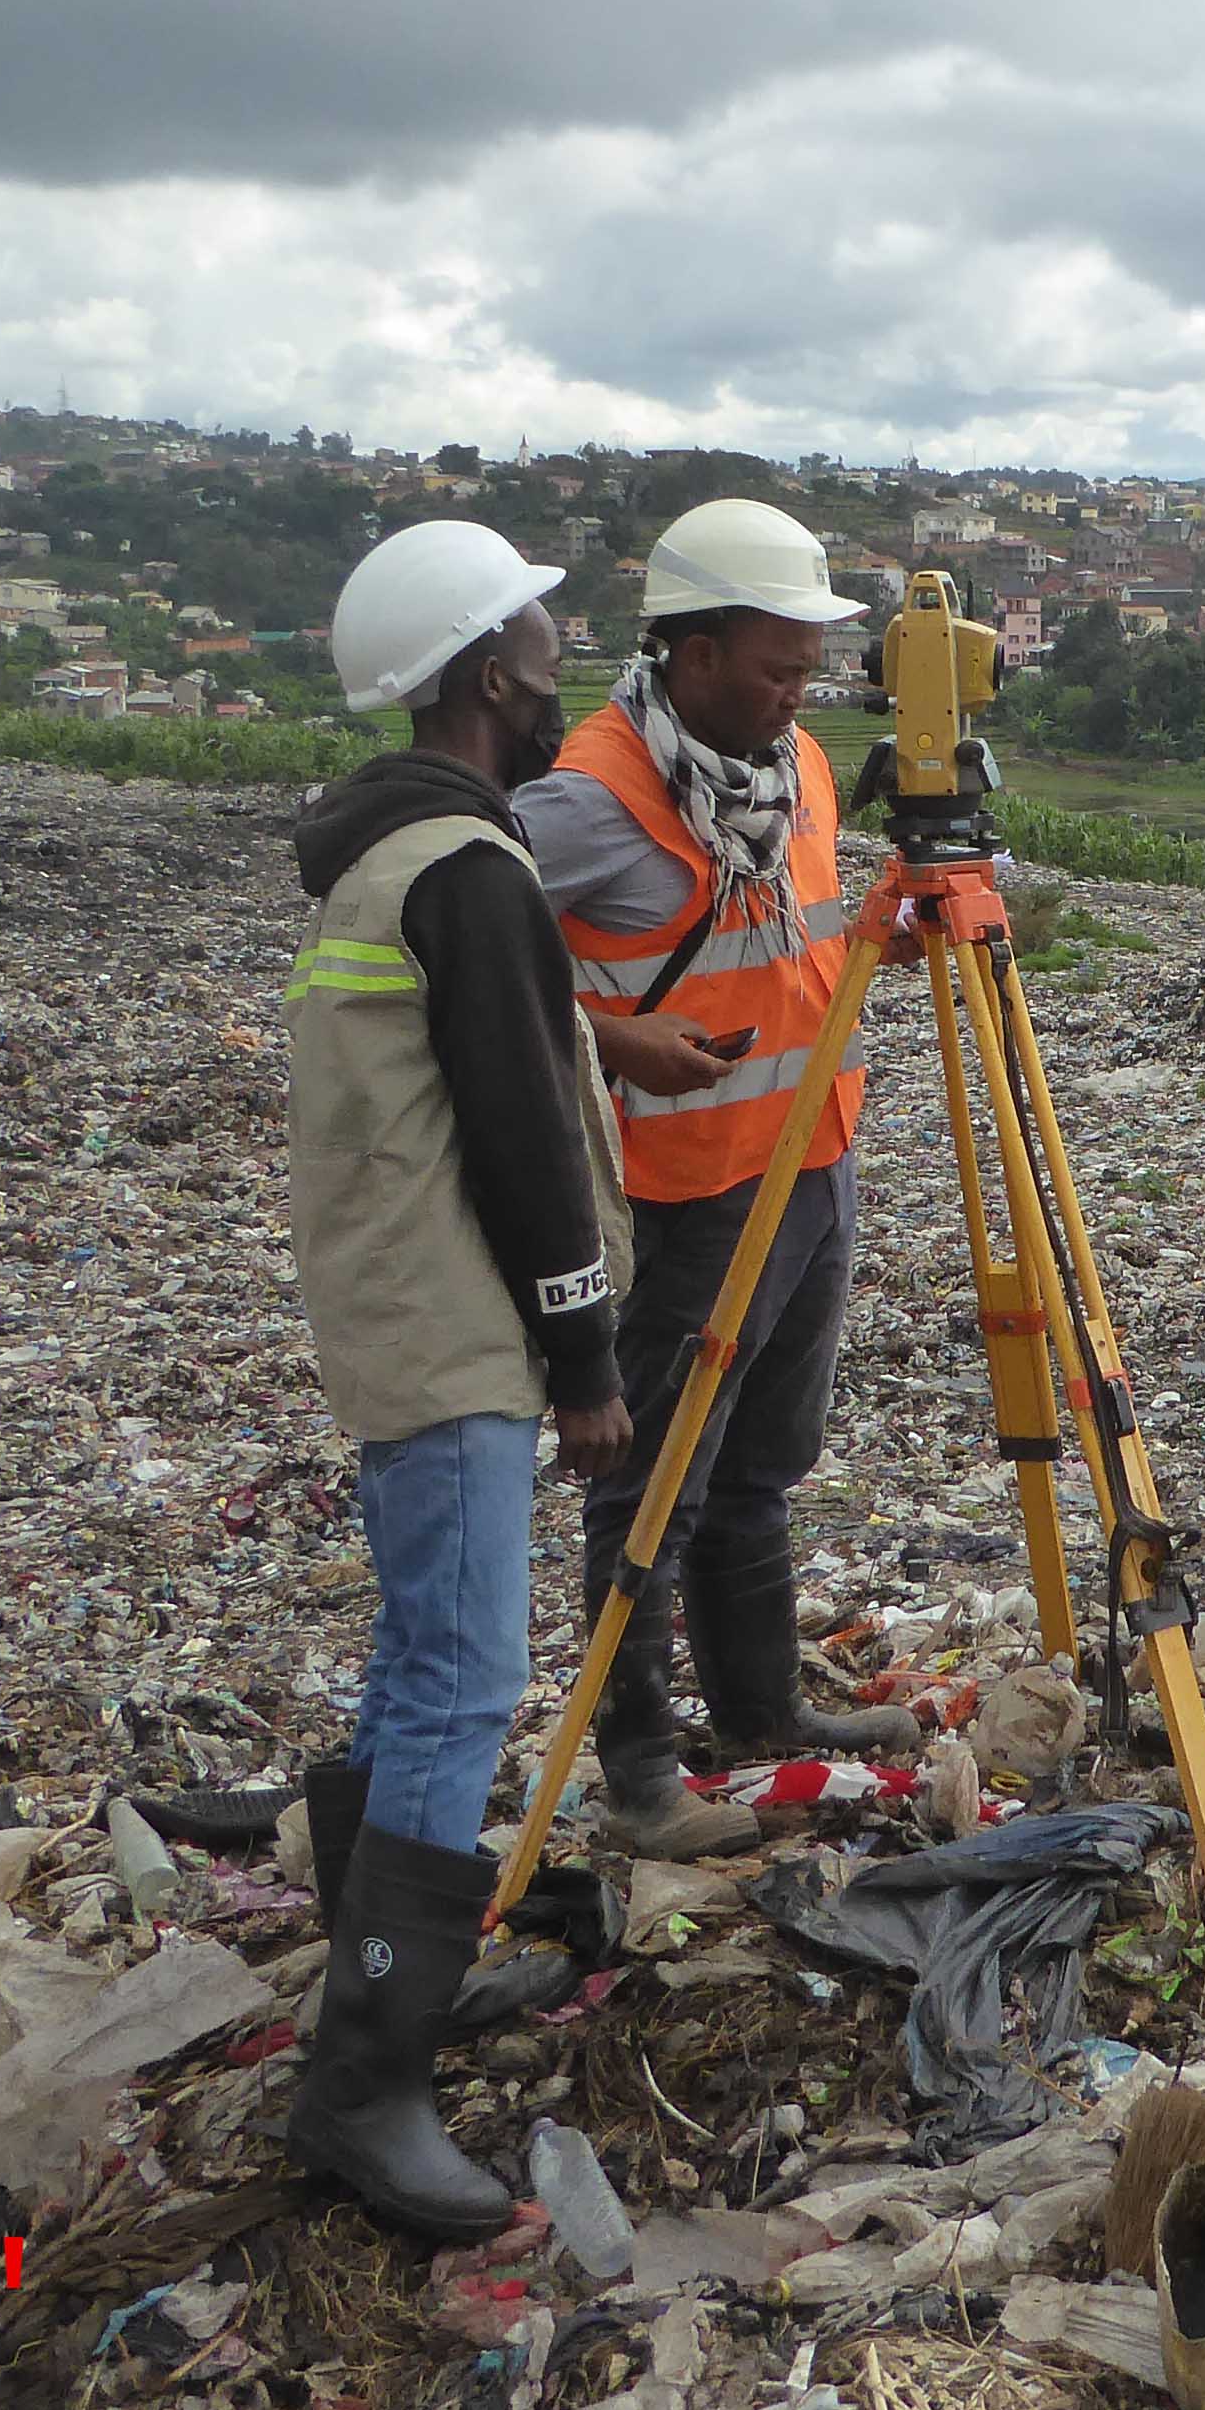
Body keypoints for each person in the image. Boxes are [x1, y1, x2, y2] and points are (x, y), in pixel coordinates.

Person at [278, 520, 633, 2239]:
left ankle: (377, 1985)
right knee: (458, 1685)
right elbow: (521, 1140)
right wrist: (585, 1361)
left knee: (418, 1660)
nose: (566, 656)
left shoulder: (389, 850)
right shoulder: (471, 872)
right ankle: (366, 2082)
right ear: (489, 672)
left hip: (394, 1310)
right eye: (544, 635)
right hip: (460, 1329)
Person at [513, 493, 917, 1856]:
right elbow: (447, 938)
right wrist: (609, 1032)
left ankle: (762, 1713)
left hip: (814, 1159)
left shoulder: (788, 761)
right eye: (775, 662)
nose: (802, 689)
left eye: (811, 661)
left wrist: (884, 941)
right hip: (693, 1194)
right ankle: (634, 1769)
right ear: (689, 653)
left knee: (761, 1463)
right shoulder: (589, 799)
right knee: (655, 1482)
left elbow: (792, 928)